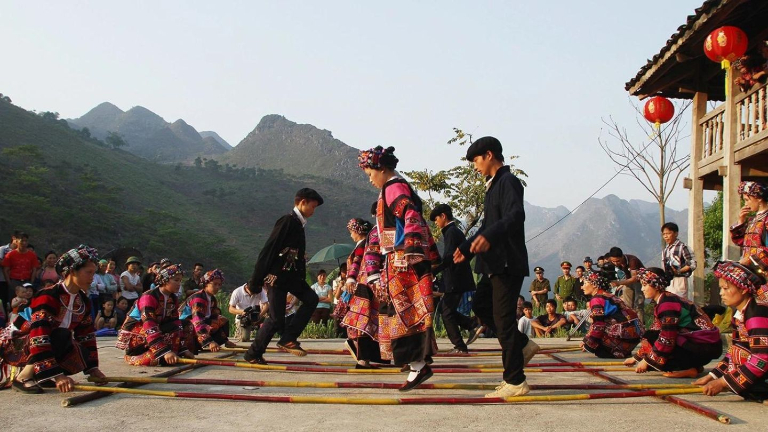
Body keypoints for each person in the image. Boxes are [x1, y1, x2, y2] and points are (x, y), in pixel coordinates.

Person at [454, 136, 539, 398]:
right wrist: (467, 248)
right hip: (491, 264)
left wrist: (489, 237)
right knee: (481, 307)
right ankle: (522, 345)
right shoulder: (493, 186)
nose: (475, 166)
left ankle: (515, 381)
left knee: (503, 321)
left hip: (506, 262)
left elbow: (516, 216)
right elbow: (486, 226)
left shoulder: (508, 182)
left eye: (476, 160)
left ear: (489, 155)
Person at [359, 146, 439, 391]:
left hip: (403, 261)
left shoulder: (393, 187)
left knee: (404, 314)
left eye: (370, 174)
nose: (370, 180)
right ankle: (417, 364)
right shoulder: (392, 187)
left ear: (381, 168)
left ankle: (418, 365)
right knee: (405, 314)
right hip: (399, 259)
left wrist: (410, 248)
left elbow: (410, 213)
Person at [10, 245, 106, 393]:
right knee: (60, 335)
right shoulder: (48, 296)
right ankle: (23, 376)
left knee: (79, 349)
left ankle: (39, 374)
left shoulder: (83, 302)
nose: (92, 278)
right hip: (19, 341)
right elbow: (39, 335)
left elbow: (86, 336)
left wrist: (93, 369)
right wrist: (58, 376)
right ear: (72, 271)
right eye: (89, 273)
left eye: (94, 273)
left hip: (47, 341)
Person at [244, 188, 323, 364]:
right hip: (277, 278)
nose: (313, 211)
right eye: (312, 206)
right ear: (302, 202)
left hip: (293, 277)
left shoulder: (299, 224)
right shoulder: (287, 221)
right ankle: (253, 353)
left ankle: (288, 338)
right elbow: (268, 250)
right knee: (275, 319)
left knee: (311, 299)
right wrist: (255, 281)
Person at [625, 267, 722, 378]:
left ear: (656, 285)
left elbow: (667, 337)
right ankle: (694, 366)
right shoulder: (666, 299)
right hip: (705, 347)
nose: (642, 289)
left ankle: (689, 368)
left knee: (658, 355)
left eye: (645, 285)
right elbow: (654, 330)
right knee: (652, 336)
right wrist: (637, 358)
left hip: (704, 348)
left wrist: (647, 361)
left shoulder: (667, 304)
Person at [695, 259, 768, 401]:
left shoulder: (756, 313)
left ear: (743, 288)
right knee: (738, 353)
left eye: (726, 288)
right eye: (721, 288)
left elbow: (762, 357)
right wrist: (713, 376)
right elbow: (735, 348)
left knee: (743, 360)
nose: (721, 293)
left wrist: (723, 382)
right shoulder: (741, 314)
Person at [117, 264, 194, 366]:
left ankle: (171, 352)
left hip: (155, 330)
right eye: (176, 280)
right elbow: (149, 325)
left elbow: (176, 322)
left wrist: (183, 348)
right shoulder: (148, 297)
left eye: (180, 281)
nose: (179, 284)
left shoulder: (173, 298)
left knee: (183, 324)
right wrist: (163, 351)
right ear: (165, 280)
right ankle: (136, 357)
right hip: (137, 334)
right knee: (158, 357)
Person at [429, 203, 479, 354]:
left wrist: (435, 270)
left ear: (443, 216)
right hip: (456, 278)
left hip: (455, 279)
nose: (436, 223)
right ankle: (472, 324)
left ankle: (460, 345)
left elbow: (450, 257)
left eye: (436, 219)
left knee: (447, 313)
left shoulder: (451, 232)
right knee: (447, 310)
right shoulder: (452, 232)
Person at [341, 217, 388, 368]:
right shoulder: (365, 243)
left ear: (357, 230)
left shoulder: (363, 246)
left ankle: (364, 359)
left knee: (363, 322)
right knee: (365, 322)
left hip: (365, 285)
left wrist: (350, 278)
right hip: (365, 285)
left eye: (351, 232)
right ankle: (365, 357)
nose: (350, 235)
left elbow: (356, 263)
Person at [580, 270, 643, 358]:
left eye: (584, 284)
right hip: (634, 337)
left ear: (594, 285)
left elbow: (599, 324)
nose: (582, 287)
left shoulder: (596, 299)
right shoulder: (609, 295)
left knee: (592, 346)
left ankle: (616, 351)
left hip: (624, 335)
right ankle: (623, 350)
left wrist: (588, 342)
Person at [730, 181, 768, 302]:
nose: (745, 204)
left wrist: (750, 259)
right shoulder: (753, 220)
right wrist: (741, 221)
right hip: (753, 274)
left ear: (758, 198)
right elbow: (742, 242)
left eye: (747, 200)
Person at [183, 269, 234, 353]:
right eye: (215, 284)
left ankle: (221, 341)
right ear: (206, 284)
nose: (217, 287)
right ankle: (203, 343)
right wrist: (209, 341)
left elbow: (214, 316)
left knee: (222, 320)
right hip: (188, 324)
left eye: (219, 284)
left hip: (203, 322)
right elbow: (197, 321)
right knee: (203, 324)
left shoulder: (212, 298)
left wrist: (224, 340)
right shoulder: (198, 298)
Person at [607, 247, 646, 324]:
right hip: (628, 281)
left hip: (640, 281)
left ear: (622, 256)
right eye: (613, 261)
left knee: (638, 305)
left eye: (618, 261)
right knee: (627, 306)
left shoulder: (632, 261)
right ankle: (629, 324)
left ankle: (641, 325)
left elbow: (634, 278)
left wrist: (619, 283)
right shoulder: (611, 261)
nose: (615, 263)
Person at [661, 222, 696, 299]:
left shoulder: (682, 247)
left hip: (680, 280)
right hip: (668, 281)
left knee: (679, 302)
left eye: (668, 233)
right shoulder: (666, 250)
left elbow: (692, 264)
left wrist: (679, 271)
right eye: (664, 234)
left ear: (676, 233)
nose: (666, 236)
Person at [0, 231, 19, 309]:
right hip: (2, 279)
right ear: (13, 238)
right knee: (3, 300)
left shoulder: (20, 251)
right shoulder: (3, 249)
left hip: (15, 279)